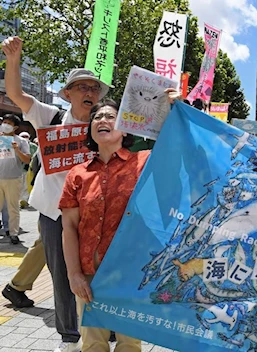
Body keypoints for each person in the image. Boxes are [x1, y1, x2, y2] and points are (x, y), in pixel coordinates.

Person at [2, 35, 109, 352]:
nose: (89, 93)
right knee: (61, 276)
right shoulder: (48, 117)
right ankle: (69, 337)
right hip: (53, 214)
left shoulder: (107, 124)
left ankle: (104, 327)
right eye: (82, 87)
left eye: (94, 88)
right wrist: (13, 60)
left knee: (98, 272)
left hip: (96, 216)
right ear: (68, 94)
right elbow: (16, 95)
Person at [61, 93, 178, 351]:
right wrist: (74, 275)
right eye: (97, 117)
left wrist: (172, 108)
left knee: (129, 345)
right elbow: (69, 227)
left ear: (125, 128)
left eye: (111, 116)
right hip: (90, 275)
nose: (102, 119)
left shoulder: (144, 162)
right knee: (92, 345)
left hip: (132, 273)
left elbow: (175, 147)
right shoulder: (77, 175)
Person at [0, 114, 31, 244]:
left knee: (13, 208)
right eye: (4, 122)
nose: (5, 125)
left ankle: (13, 233)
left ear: (15, 127)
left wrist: (17, 150)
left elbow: (27, 159)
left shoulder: (21, 141)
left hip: (14, 178)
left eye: (9, 123)